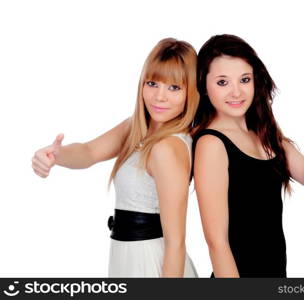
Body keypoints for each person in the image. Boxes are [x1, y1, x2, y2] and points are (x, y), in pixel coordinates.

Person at [192, 34, 304, 278]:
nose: (236, 91)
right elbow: (216, 242)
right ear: (204, 86)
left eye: (244, 79)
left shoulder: (263, 131)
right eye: (222, 82)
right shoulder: (211, 144)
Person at [32, 38, 199, 277]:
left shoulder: (167, 148)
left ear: (190, 93)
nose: (159, 97)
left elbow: (176, 242)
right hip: (127, 256)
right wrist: (56, 155)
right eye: (152, 83)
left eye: (174, 87)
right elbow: (89, 152)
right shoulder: (137, 128)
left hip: (152, 262)